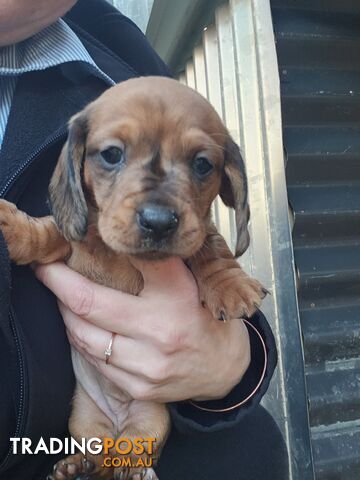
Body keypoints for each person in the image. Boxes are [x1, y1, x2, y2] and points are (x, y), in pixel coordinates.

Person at [0, 1, 288, 479]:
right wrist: (31, 235)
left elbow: (235, 317)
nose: (157, 211)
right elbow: (59, 232)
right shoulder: (80, 189)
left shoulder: (117, 45)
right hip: (65, 423)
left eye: (199, 166)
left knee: (147, 434)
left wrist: (236, 362)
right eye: (112, 155)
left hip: (160, 415)